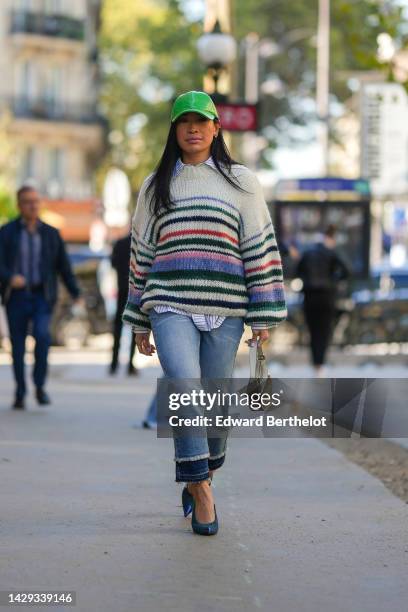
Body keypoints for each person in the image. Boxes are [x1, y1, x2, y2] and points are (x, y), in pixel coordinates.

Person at [122, 90, 287, 536]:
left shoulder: (241, 182)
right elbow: (141, 255)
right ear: (174, 131)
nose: (193, 128)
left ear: (217, 128)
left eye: (202, 121)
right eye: (183, 122)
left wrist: (263, 314)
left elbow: (259, 249)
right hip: (169, 303)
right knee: (185, 388)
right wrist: (138, 318)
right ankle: (201, 488)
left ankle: (203, 470)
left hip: (226, 309)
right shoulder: (155, 185)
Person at [0, 186, 82, 409]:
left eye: (36, 201)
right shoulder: (6, 233)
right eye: (27, 201)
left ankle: (39, 386)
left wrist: (76, 293)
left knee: (42, 337)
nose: (33, 205)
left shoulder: (50, 233)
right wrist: (9, 277)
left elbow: (63, 266)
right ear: (19, 205)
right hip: (16, 296)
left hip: (42, 296)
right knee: (17, 346)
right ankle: (19, 391)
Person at [295, 224, 349, 376]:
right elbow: (346, 271)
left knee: (312, 331)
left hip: (309, 296)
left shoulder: (307, 253)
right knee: (324, 331)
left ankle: (315, 364)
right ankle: (321, 364)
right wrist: (334, 281)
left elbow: (297, 271)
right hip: (327, 296)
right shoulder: (330, 253)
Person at [110, 232, 137, 375]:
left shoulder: (120, 243)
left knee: (117, 328)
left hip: (122, 288)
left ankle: (113, 364)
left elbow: (113, 263)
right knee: (135, 327)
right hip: (136, 290)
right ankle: (130, 366)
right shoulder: (141, 243)